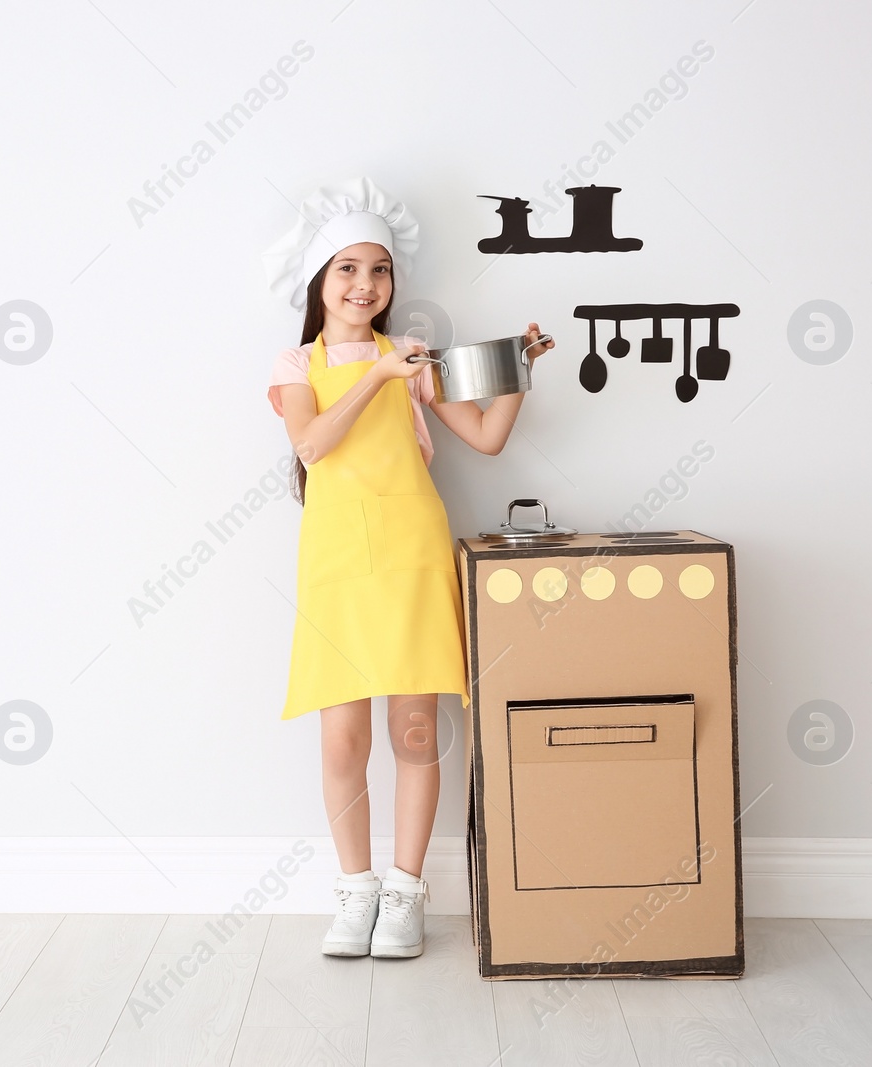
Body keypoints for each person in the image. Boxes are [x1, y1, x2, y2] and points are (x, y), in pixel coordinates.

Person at [262, 177, 555, 959]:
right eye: (348, 269)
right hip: (335, 563)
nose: (365, 285)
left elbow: (486, 437)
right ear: (321, 280)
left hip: (411, 554)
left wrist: (518, 368)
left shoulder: (412, 357)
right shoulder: (299, 363)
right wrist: (378, 376)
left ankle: (405, 892)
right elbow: (313, 445)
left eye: (379, 270)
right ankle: (354, 889)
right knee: (342, 739)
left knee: (415, 730)